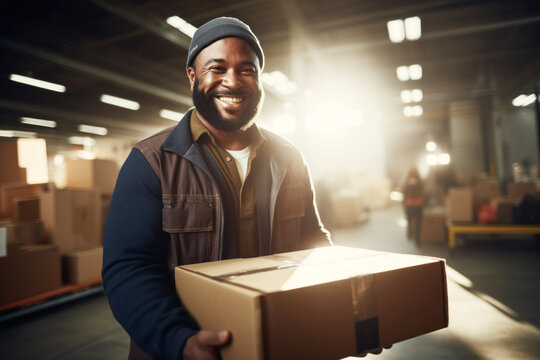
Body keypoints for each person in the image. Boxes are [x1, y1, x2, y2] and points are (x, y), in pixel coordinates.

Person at [102, 17, 332, 360]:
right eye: (217, 68)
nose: (232, 81)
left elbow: (312, 243)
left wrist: (346, 314)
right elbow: (129, 268)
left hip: (277, 343)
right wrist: (179, 340)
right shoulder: (151, 162)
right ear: (193, 77)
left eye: (247, 70)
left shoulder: (289, 158)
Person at [402, 166, 424, 242]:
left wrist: (404, 204)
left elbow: (404, 193)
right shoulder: (420, 181)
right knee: (418, 222)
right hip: (418, 204)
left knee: (409, 220)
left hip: (409, 204)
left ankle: (409, 234)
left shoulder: (406, 182)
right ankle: (417, 239)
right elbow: (423, 192)